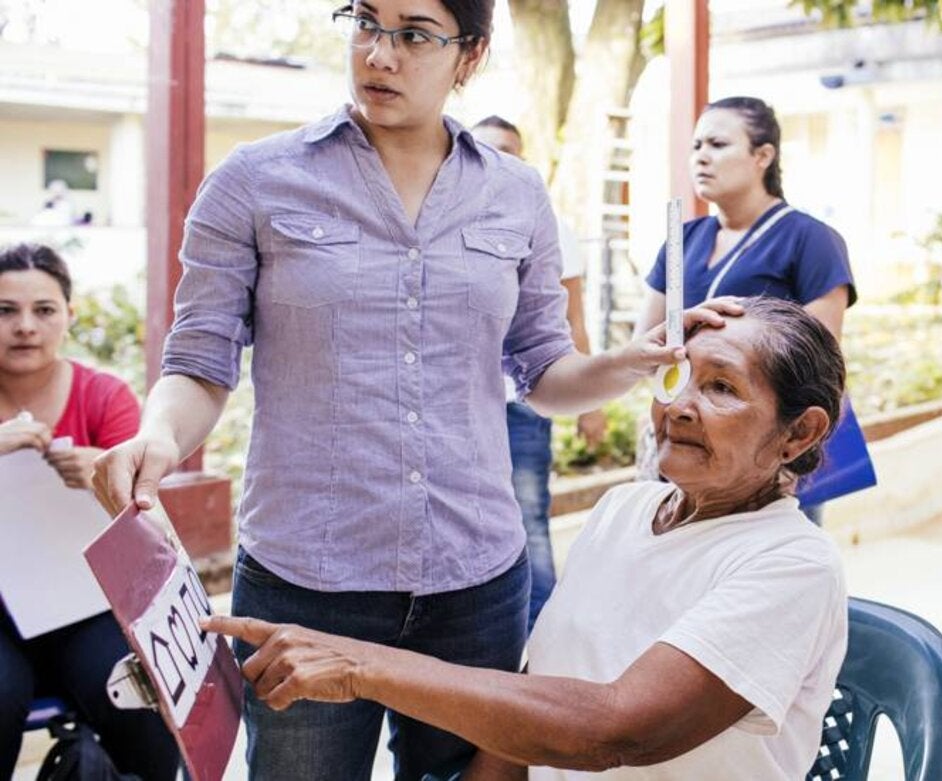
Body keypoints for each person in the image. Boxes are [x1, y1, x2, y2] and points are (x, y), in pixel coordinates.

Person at [89, 2, 737, 779]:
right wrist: (160, 435)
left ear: (471, 54)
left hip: (476, 581)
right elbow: (199, 359)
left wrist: (634, 360)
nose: (380, 54)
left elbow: (545, 373)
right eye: (365, 22)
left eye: (415, 33)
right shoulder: (255, 182)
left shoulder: (516, 194)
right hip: (309, 577)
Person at [207, 297, 847, 781]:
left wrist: (360, 667)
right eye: (678, 379)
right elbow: (535, 700)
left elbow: (612, 728)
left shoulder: (792, 566)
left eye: (722, 389)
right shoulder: (625, 509)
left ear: (798, 435)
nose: (679, 407)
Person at [0, 243, 180, 780]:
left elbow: (153, 529)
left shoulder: (103, 396)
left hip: (85, 601)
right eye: (5, 311)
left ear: (69, 316)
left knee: (138, 694)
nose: (26, 326)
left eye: (44, 310)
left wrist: (105, 482)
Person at [634, 96, 856, 524]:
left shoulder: (811, 239)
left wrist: (788, 460)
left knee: (767, 571)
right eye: (696, 146)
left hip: (766, 457)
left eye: (717, 144)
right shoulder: (681, 240)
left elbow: (822, 369)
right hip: (685, 439)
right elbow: (644, 348)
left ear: (762, 156)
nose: (701, 157)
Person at [470, 114, 607, 629]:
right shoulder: (439, 219)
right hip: (458, 408)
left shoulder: (550, 226)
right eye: (485, 148)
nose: (497, 158)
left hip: (526, 406)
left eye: (509, 149)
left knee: (529, 526)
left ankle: (544, 657)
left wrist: (591, 407)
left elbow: (573, 323)